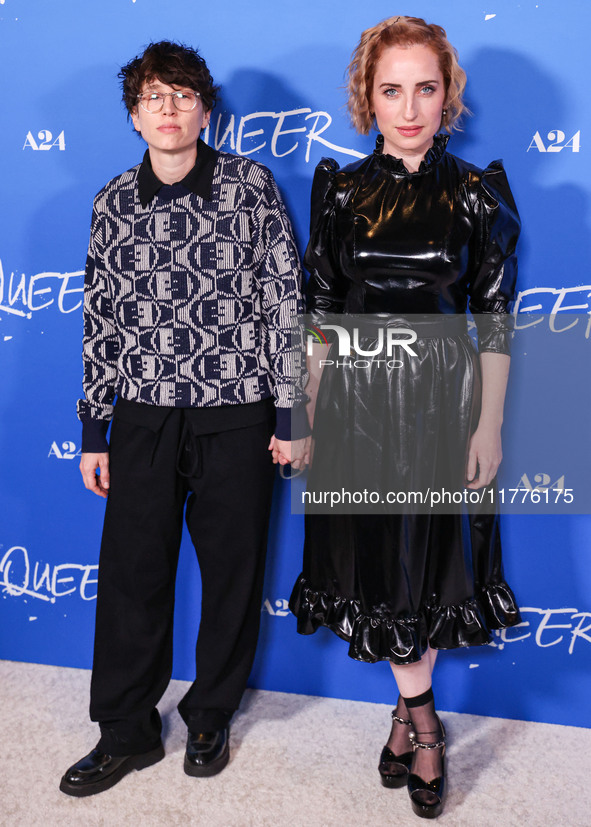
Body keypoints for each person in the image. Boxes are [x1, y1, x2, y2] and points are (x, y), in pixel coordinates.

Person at [60, 40, 307, 797]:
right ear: (134, 117)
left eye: (182, 94)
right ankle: (126, 729)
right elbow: (100, 320)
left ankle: (209, 712)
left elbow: (283, 304)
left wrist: (291, 412)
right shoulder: (112, 202)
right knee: (133, 576)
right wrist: (95, 429)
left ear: (205, 109)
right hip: (140, 417)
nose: (168, 109)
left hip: (236, 413)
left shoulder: (250, 187)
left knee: (233, 571)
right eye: (152, 97)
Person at [289, 16, 521, 819]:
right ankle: (416, 719)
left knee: (419, 567)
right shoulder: (340, 190)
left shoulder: (475, 190)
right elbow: (317, 307)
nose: (409, 105)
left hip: (436, 404)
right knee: (376, 565)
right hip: (353, 402)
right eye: (391, 89)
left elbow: (492, 314)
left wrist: (487, 424)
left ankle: (418, 726)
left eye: (425, 87)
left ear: (446, 93)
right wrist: (304, 408)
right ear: (368, 96)